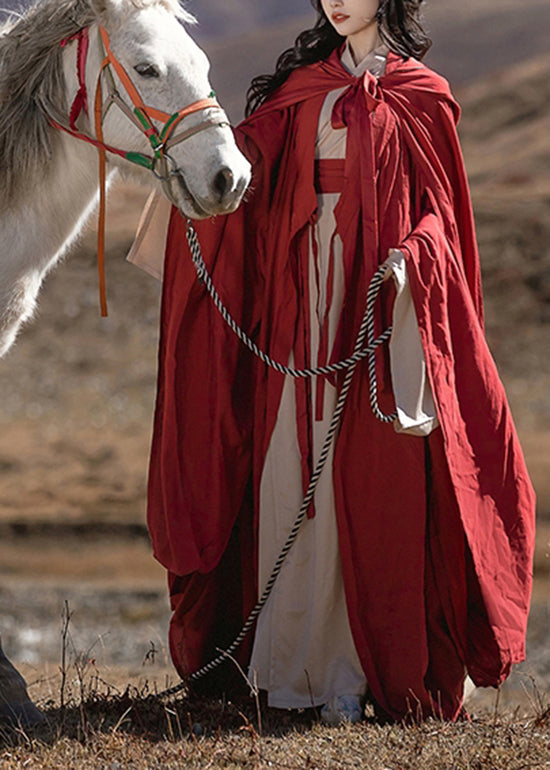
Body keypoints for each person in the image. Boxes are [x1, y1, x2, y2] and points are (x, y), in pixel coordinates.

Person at [129, 0, 536, 723]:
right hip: (296, 307)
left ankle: (362, 672)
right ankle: (295, 676)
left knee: (372, 485)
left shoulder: (423, 96)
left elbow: (442, 217)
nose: (335, 0)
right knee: (291, 468)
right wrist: (187, 164)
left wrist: (415, 259)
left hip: (378, 309)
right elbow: (239, 177)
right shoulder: (297, 90)